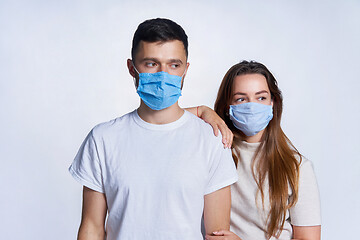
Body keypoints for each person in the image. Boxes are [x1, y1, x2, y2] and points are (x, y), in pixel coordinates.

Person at [68, 18, 238, 240]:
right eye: (151, 63)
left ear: (185, 70)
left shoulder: (211, 140)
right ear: (132, 68)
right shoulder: (103, 139)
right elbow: (92, 226)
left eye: (174, 65)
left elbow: (216, 235)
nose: (163, 74)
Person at [203, 61, 321, 240]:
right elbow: (163, 120)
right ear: (227, 106)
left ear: (273, 103)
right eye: (241, 99)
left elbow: (309, 238)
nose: (251, 106)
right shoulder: (214, 151)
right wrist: (203, 111)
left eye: (261, 98)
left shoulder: (296, 167)